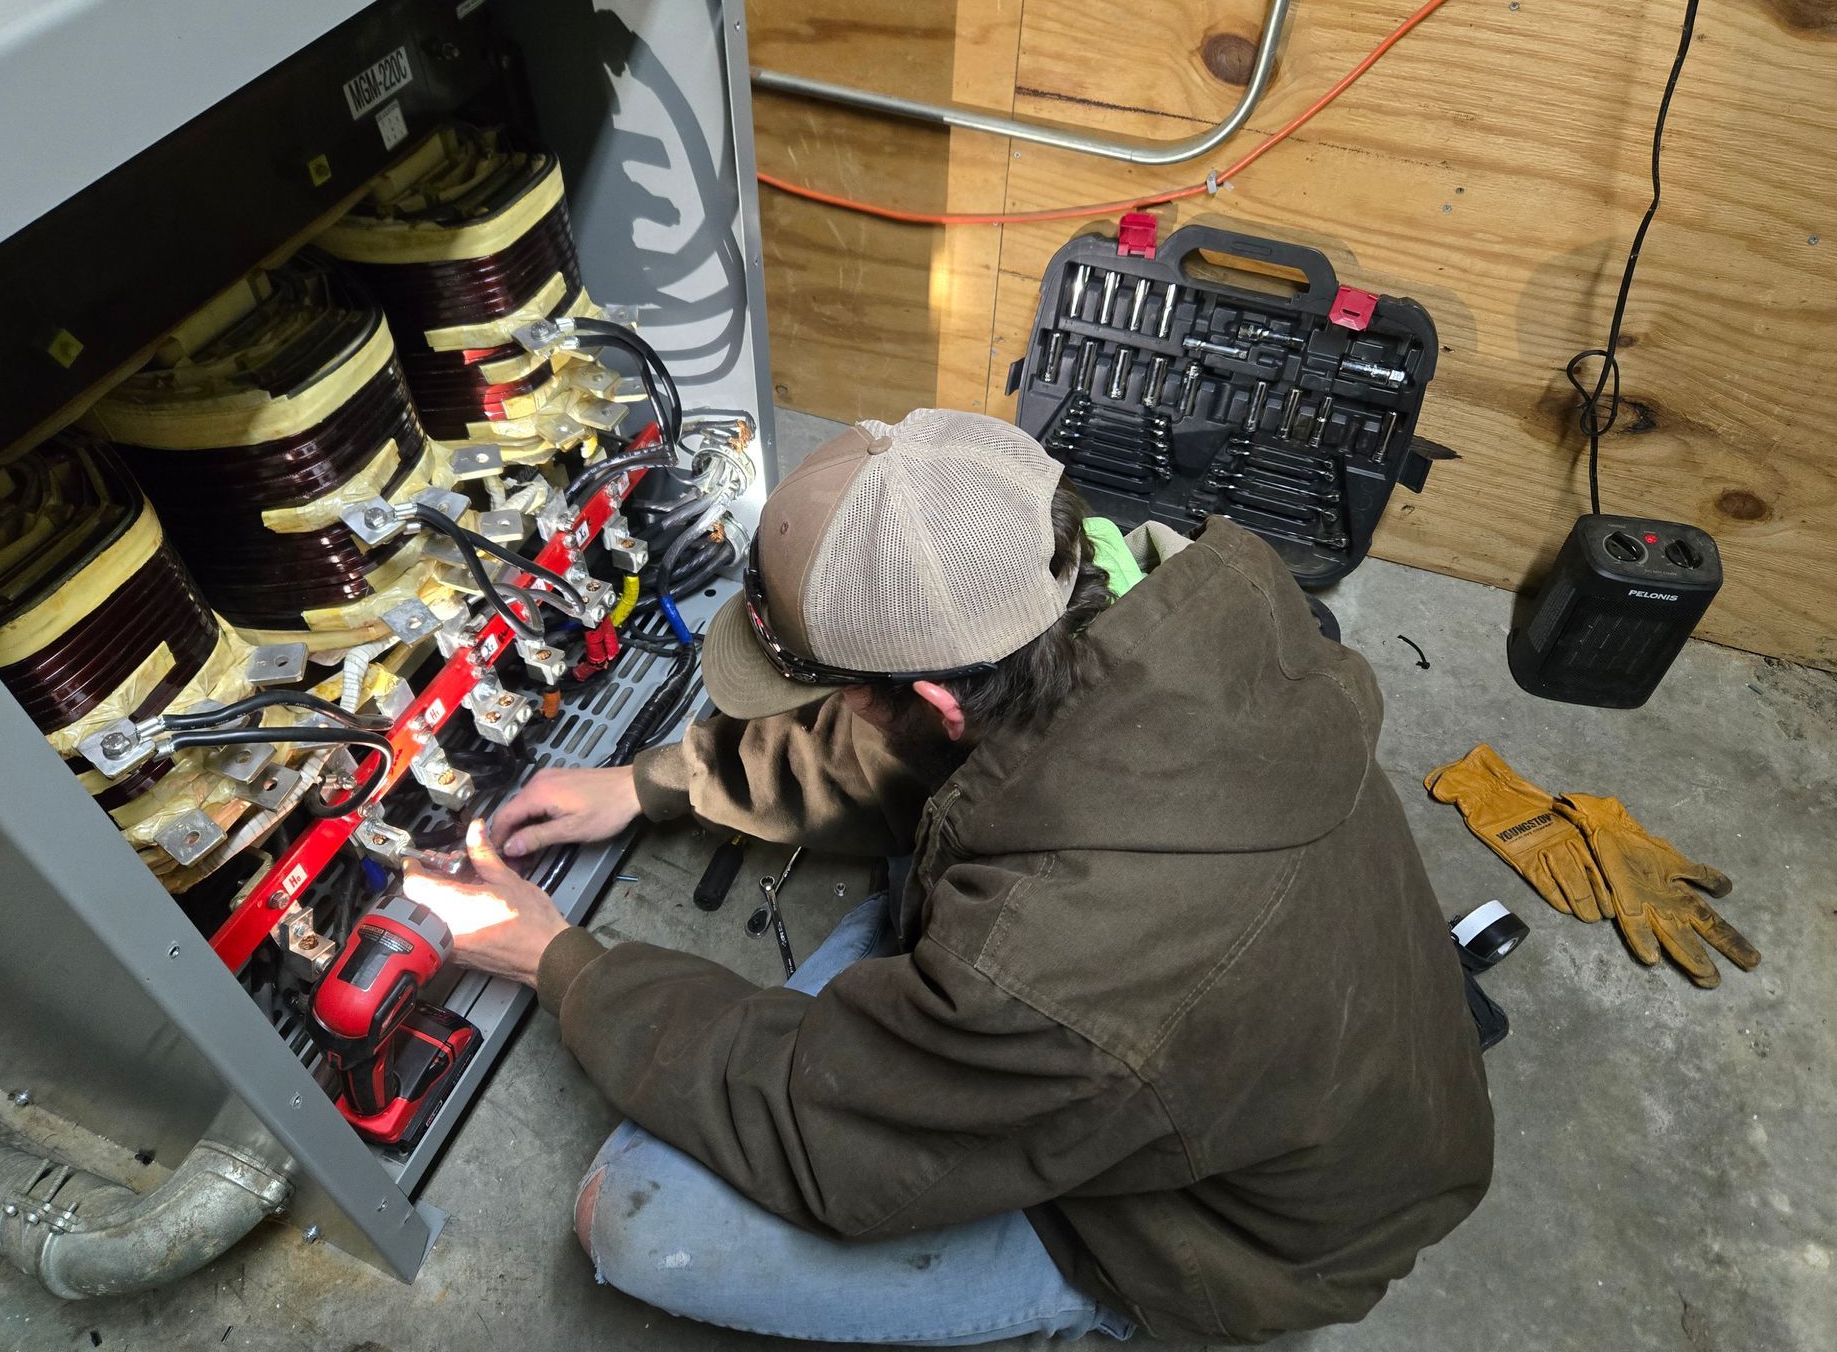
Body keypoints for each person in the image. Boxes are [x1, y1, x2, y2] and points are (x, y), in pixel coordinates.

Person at [408, 408, 1493, 1345]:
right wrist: (662, 783)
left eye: (834, 689)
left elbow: (809, 1118)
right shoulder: (1156, 592)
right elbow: (909, 743)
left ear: (933, 701)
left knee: (640, 1220)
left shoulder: (1047, 965)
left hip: (1243, 1234)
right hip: (1280, 1062)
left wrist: (559, 961)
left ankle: (1087, 1308)